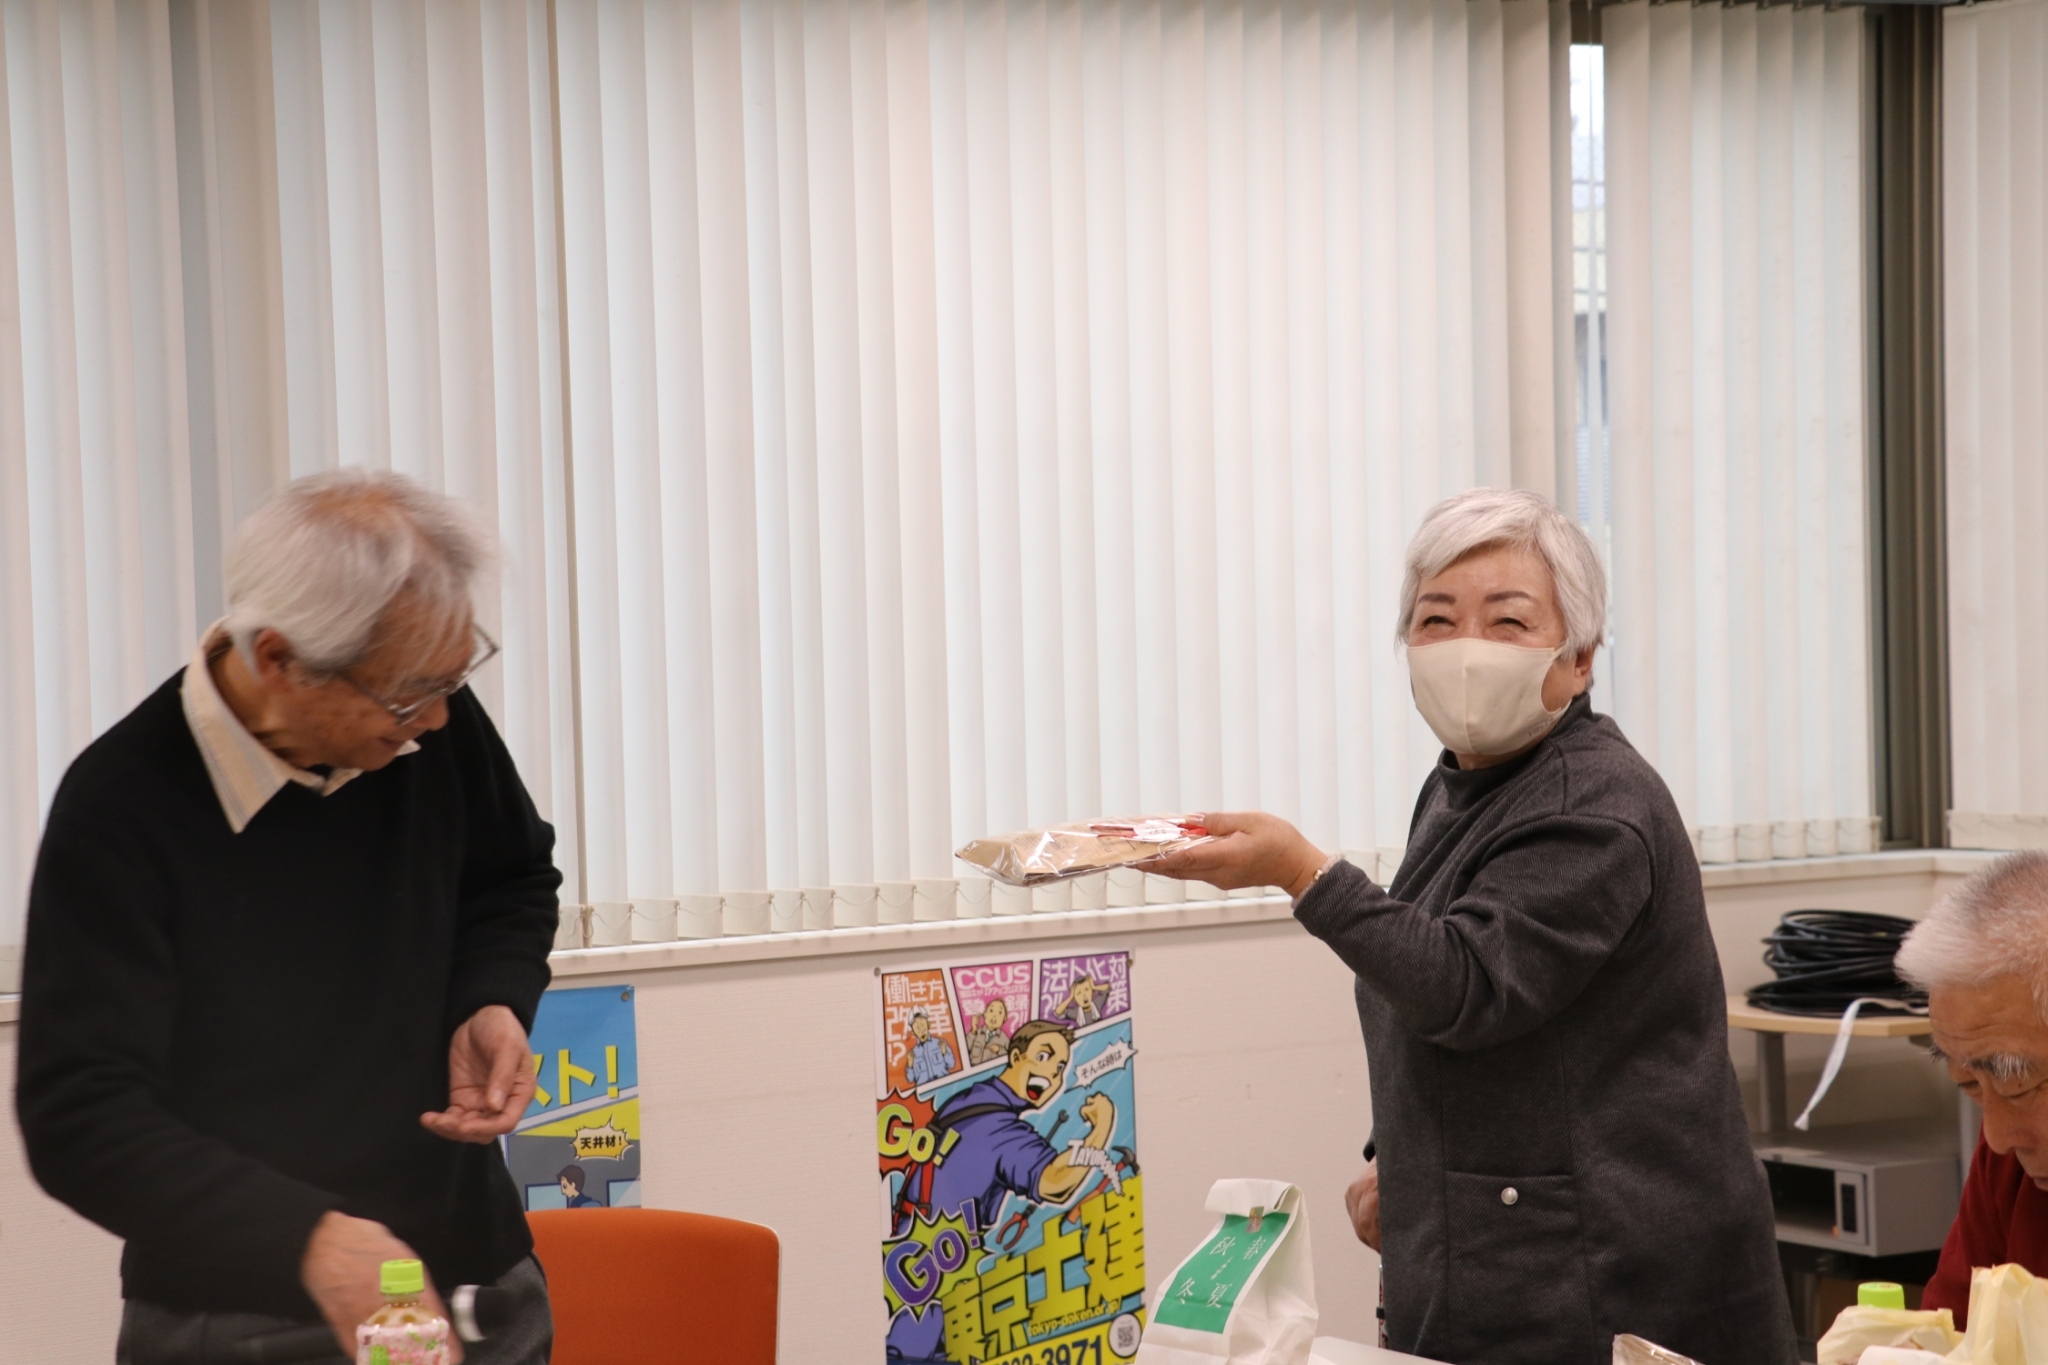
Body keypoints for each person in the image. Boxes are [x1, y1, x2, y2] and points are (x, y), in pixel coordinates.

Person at [1151, 488, 1796, 1365]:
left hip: (1610, 1271)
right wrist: (1406, 1163)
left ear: (1580, 658)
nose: (1466, 648)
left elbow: (1469, 985)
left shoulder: (1592, 801)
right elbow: (1430, 995)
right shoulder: (1470, 779)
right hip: (1507, 1245)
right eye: (1437, 619)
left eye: (1508, 620)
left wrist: (1302, 872)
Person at [15, 470, 560, 1364]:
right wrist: (307, 1237)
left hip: (474, 1273)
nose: (434, 719)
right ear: (276, 659)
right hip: (244, 1319)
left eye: (453, 679)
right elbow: (80, 1116)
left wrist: (490, 996)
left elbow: (511, 875)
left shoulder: (428, 721)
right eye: (406, 694)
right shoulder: (121, 808)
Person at [886, 1020, 1116, 1361]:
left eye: (1060, 1068)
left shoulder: (968, 1100)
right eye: (1043, 1057)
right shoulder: (998, 1128)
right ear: (1016, 1056)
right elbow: (1056, 1183)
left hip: (911, 1283)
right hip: (927, 1325)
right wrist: (1102, 1127)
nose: (1052, 1075)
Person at [1898, 852, 2048, 1324]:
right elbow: (1952, 1337)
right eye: (1969, 1084)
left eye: (2018, 1087)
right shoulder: (2007, 1167)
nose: (1998, 1137)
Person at [904, 1010, 959, 1086]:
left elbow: (951, 1064)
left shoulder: (940, 1043)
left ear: (929, 1024)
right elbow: (910, 1079)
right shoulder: (913, 1053)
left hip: (945, 1085)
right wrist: (910, 1065)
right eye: (916, 1026)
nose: (920, 1027)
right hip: (925, 1090)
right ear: (912, 1032)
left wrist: (944, 1052)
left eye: (922, 1023)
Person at [965, 997, 1012, 1067]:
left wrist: (999, 1050)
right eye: (991, 1010)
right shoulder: (975, 1033)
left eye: (999, 1012)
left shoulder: (1004, 1038)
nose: (994, 1015)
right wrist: (973, 1030)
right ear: (985, 1014)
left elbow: (1012, 1056)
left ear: (1004, 1018)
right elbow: (963, 1051)